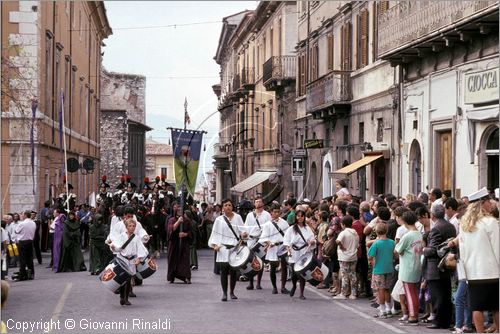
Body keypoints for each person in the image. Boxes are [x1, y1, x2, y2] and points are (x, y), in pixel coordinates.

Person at [450, 187, 499, 333]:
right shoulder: (491, 222)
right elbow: (497, 249)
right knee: (496, 306)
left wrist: (466, 269)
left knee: (476, 307)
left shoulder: (465, 225)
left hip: (472, 273)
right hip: (492, 271)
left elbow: (463, 252)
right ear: (482, 203)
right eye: (488, 201)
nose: (491, 204)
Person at [423, 204, 456, 330]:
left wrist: (424, 249)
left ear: (432, 215)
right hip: (447, 265)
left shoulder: (436, 228)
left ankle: (439, 321)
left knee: (438, 295)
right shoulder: (450, 226)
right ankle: (446, 320)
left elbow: (433, 250)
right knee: (445, 294)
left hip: (435, 267)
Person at [208, 199, 246, 301]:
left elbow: (242, 230)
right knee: (223, 271)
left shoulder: (237, 217)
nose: (228, 207)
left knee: (233, 271)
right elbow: (215, 233)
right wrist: (215, 245)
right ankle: (224, 293)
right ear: (222, 208)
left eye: (229, 205)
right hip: (223, 248)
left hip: (234, 247)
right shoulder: (219, 219)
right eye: (225, 205)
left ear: (232, 207)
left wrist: (243, 234)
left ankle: (232, 292)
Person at [109, 218, 148, 306]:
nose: (132, 228)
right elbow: (116, 245)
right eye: (130, 226)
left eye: (133, 226)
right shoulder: (122, 236)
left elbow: (142, 249)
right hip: (122, 260)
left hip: (131, 261)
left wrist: (139, 258)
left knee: (128, 280)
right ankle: (122, 297)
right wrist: (113, 247)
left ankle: (125, 298)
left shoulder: (137, 238)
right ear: (126, 227)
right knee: (123, 279)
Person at [395, 211, 423, 326]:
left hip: (407, 267)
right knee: (414, 292)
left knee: (409, 293)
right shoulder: (419, 234)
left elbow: (397, 250)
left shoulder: (407, 236)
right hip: (417, 265)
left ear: (405, 221)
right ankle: (414, 313)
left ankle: (413, 316)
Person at [283, 209, 316, 300]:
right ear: (296, 217)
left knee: (302, 273)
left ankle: (301, 293)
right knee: (294, 274)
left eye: (302, 216)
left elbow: (312, 239)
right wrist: (288, 248)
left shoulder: (307, 228)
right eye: (298, 216)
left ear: (304, 217)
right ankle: (294, 286)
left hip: (304, 252)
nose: (300, 218)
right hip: (294, 252)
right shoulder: (291, 229)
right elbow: (286, 241)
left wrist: (312, 242)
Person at [259, 203, 290, 294]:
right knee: (273, 267)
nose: (276, 214)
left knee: (284, 267)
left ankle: (283, 287)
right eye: (274, 212)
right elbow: (263, 237)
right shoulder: (268, 224)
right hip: (273, 247)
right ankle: (274, 287)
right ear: (271, 213)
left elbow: (288, 235)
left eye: (278, 212)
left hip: (282, 246)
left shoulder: (284, 223)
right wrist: (269, 242)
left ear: (280, 212)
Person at [368, 223, 395, 318]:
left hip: (379, 269)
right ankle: (389, 308)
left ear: (376, 232)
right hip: (389, 268)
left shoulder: (376, 243)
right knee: (387, 289)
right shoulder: (392, 242)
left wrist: (373, 263)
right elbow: (395, 254)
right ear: (386, 231)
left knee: (380, 290)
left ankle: (382, 309)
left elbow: (370, 256)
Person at [244, 196, 271, 290]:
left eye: (260, 201)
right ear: (254, 204)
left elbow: (269, 227)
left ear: (262, 203)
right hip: (251, 240)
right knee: (251, 261)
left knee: (260, 262)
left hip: (261, 240)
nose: (258, 203)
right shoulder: (249, 215)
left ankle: (258, 283)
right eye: (256, 202)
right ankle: (251, 282)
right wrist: (246, 237)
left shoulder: (267, 215)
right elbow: (246, 227)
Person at [334, 216, 359, 300]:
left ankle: (343, 293)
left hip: (344, 256)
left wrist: (341, 247)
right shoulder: (355, 233)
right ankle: (353, 293)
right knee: (353, 274)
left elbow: (337, 241)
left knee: (344, 275)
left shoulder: (343, 232)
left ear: (343, 224)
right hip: (353, 256)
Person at [167, 206, 192, 284]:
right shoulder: (171, 220)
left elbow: (192, 233)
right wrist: (178, 222)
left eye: (181, 211)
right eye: (178, 211)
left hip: (184, 244)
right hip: (174, 243)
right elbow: (171, 229)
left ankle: (186, 277)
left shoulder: (187, 221)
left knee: (184, 260)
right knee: (173, 260)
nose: (179, 212)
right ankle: (172, 276)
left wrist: (185, 234)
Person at [14, 210, 37, 280]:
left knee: (22, 260)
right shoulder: (33, 223)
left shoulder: (22, 223)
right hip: (30, 241)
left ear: (25, 215)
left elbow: (16, 231)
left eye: (22, 215)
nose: (21, 216)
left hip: (22, 242)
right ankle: (31, 274)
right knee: (30, 258)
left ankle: (22, 275)